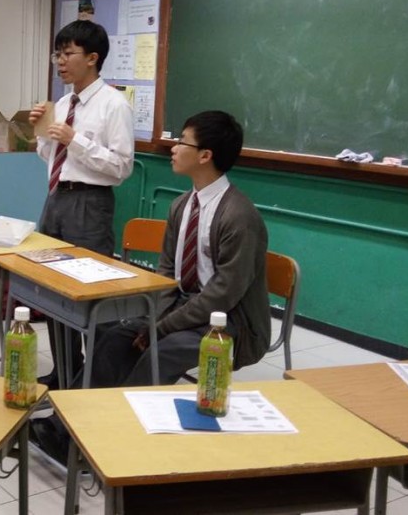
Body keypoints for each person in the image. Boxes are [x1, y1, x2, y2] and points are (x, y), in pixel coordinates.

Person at [31, 110, 271, 465]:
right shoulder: (181, 206)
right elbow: (167, 274)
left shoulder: (238, 216)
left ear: (205, 156)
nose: (173, 148)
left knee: (163, 349)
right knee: (114, 337)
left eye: (182, 142)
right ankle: (65, 425)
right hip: (184, 308)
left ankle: (108, 440)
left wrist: (160, 326)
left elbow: (223, 295)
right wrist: (151, 318)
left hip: (229, 324)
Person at [27, 20, 134, 388]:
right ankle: (65, 374)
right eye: (58, 53)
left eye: (68, 53)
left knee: (91, 296)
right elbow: (51, 157)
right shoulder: (62, 103)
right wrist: (41, 133)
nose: (60, 61)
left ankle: (98, 381)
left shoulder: (113, 105)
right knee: (55, 292)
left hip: (90, 204)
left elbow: (121, 167)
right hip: (56, 199)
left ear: (92, 58)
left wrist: (76, 140)